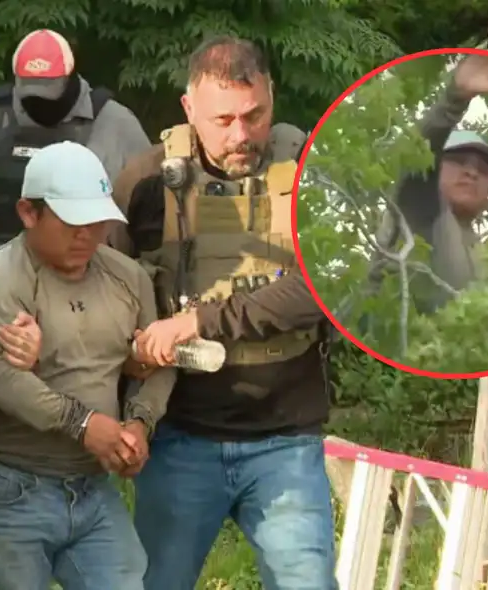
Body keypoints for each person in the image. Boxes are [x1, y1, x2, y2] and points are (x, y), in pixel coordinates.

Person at [111, 36, 337, 590]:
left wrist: (198, 321)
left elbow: (327, 288)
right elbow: (104, 292)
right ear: (189, 110)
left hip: (287, 437)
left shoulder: (312, 170)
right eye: (224, 119)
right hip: (178, 437)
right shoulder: (143, 180)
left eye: (255, 115)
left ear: (273, 99)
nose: (241, 135)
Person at [0, 140, 177, 590]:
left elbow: (159, 361)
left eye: (97, 221)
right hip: (11, 488)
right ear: (28, 212)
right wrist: (83, 424)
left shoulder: (128, 276)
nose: (88, 234)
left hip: (93, 488)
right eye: (72, 222)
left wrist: (139, 424)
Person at [0, 28, 152, 275]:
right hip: (2, 284)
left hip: (89, 285)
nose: (40, 102)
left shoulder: (115, 124)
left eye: (49, 91)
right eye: (31, 92)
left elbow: (151, 215)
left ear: (71, 78)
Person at [368, 53, 488, 314]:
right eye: (459, 161)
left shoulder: (486, 253)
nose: (471, 173)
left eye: (482, 169)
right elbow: (418, 159)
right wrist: (454, 99)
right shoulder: (422, 212)